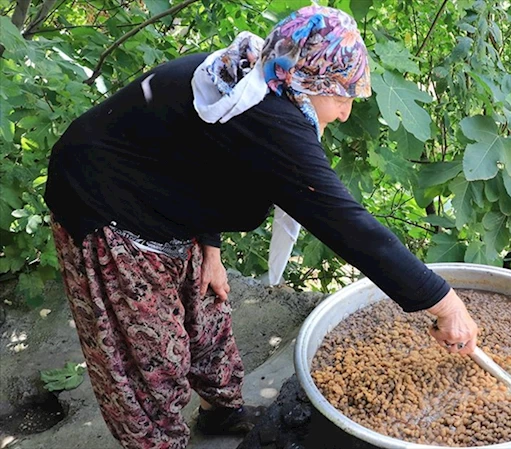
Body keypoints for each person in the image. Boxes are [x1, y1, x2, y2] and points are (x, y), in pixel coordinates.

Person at [43, 5, 480, 449]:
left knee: (207, 311)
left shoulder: (266, 77)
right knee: (149, 356)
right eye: (343, 97)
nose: (346, 114)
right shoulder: (262, 108)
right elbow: (346, 223)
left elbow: (196, 152)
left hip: (164, 197)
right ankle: (158, 442)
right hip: (104, 203)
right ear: (311, 82)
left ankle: (221, 414)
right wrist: (443, 302)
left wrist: (208, 248)